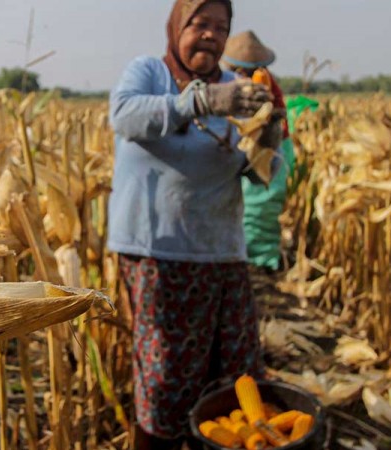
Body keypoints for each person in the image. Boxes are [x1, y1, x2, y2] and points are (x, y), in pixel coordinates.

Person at [106, 1, 283, 448]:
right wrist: (201, 100)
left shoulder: (238, 89)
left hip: (223, 252)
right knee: (166, 377)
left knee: (235, 373)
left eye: (220, 27)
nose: (210, 34)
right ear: (177, 27)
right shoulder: (150, 72)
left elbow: (259, 172)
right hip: (158, 254)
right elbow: (125, 116)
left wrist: (268, 137)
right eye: (200, 24)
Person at [221, 31, 293, 272]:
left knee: (261, 204)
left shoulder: (262, 82)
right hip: (248, 147)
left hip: (270, 149)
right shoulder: (229, 84)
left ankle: (262, 259)